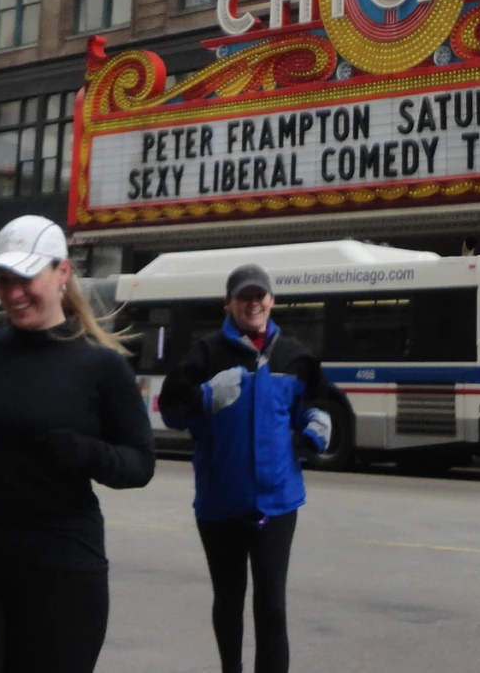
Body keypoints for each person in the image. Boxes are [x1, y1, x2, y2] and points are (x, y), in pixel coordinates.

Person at [0, 215, 153, 673]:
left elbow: (140, 462)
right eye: (4, 280)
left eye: (25, 278)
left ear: (62, 273)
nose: (12, 293)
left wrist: (92, 454)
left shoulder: (100, 366)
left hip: (63, 566)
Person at [157, 263, 338, 673]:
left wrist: (315, 422)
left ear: (271, 301)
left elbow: (316, 403)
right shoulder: (205, 353)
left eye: (260, 296)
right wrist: (204, 397)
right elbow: (170, 411)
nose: (253, 303)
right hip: (221, 501)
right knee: (229, 599)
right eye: (244, 297)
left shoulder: (295, 355)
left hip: (278, 501)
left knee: (272, 606)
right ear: (229, 304)